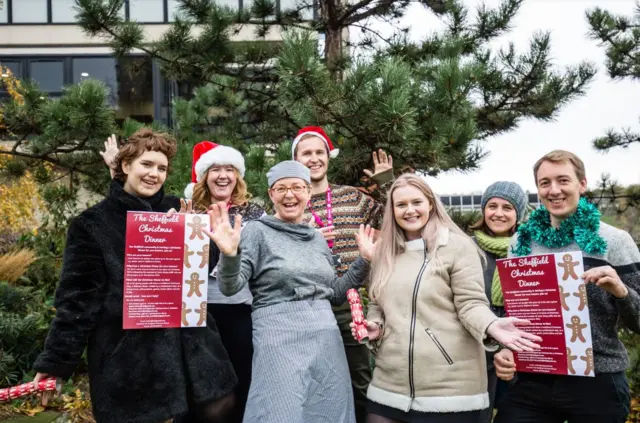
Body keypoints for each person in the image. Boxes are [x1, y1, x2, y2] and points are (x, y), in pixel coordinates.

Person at [32, 129, 238, 423]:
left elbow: (200, 275)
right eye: (147, 164)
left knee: (219, 406)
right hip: (129, 356)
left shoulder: (177, 209)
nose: (155, 174)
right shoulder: (92, 224)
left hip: (192, 350)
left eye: (162, 168)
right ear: (124, 166)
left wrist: (195, 239)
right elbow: (77, 302)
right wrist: (56, 362)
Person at [351, 173, 541, 423]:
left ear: (431, 203)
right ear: (392, 210)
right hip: (389, 386)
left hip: (448, 390)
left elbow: (471, 303)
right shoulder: (386, 252)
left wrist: (491, 324)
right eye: (401, 205)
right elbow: (378, 302)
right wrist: (376, 325)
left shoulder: (458, 246)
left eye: (416, 202)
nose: (409, 210)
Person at [205, 160, 377, 423]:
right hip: (278, 334)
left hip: (324, 336)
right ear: (271, 194)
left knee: (328, 409)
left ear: (308, 193)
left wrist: (364, 261)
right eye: (281, 188)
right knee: (279, 410)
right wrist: (230, 255)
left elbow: (335, 293)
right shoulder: (257, 232)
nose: (289, 194)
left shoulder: (317, 238)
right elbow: (230, 287)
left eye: (297, 187)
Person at [492, 150, 640, 423]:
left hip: (598, 381)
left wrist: (621, 291)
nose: (554, 190)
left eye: (563, 180)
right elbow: (511, 311)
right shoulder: (520, 243)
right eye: (545, 183)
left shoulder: (615, 241)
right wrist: (505, 348)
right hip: (533, 381)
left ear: (582, 184)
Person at [292, 126, 394, 422]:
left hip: (351, 305)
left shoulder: (352, 197)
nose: (313, 159)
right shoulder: (288, 204)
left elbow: (395, 217)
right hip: (307, 304)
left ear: (328, 157)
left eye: (318, 152)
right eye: (306, 153)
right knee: (312, 383)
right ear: (296, 159)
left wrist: (387, 183)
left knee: (360, 381)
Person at [177, 141, 265, 423]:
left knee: (242, 384)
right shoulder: (190, 212)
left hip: (241, 310)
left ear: (238, 176)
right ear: (204, 176)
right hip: (197, 313)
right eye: (215, 169)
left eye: (230, 169)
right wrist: (178, 232)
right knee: (201, 392)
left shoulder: (254, 214)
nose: (223, 175)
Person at [469, 181, 528, 423]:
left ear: (518, 214)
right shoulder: (467, 248)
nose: (499, 213)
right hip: (475, 348)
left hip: (518, 350)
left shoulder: (530, 249)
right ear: (484, 210)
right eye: (492, 206)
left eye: (508, 207)